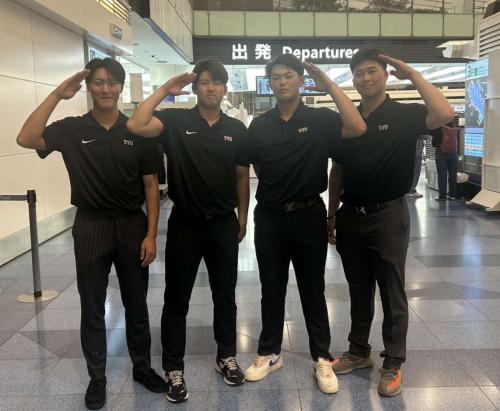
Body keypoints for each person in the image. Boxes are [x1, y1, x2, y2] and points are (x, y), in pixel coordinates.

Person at [16, 58, 166, 410]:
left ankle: (142, 368)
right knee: (92, 305)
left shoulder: (137, 129)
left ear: (121, 88)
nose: (106, 88)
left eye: (112, 82)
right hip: (90, 225)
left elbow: (151, 186)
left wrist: (151, 234)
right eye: (98, 82)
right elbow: (26, 138)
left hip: (131, 225)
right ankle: (97, 377)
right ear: (88, 87)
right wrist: (57, 94)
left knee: (137, 303)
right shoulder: (72, 128)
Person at [328, 49, 454, 397]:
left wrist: (412, 74)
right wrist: (332, 213)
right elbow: (338, 170)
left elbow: (445, 113)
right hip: (351, 215)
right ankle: (358, 352)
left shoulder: (404, 114)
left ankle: (393, 362)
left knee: (392, 291)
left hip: (389, 216)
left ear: (385, 75)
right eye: (359, 73)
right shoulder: (348, 118)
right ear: (353, 80)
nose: (365, 78)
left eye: (372, 71)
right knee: (358, 290)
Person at [241, 54, 366, 394]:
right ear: (269, 83)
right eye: (275, 77)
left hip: (309, 214)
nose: (281, 82)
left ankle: (321, 357)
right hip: (269, 216)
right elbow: (258, 167)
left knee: (313, 288)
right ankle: (270, 353)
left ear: (300, 80)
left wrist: (328, 83)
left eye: (288, 75)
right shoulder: (260, 125)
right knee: (271, 287)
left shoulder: (321, 119)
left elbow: (357, 127)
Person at [126, 59, 250, 403]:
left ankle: (226, 356)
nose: (211, 88)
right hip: (185, 224)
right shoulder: (175, 121)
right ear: (195, 88)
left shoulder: (236, 129)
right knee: (176, 299)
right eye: (205, 82)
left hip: (223, 223)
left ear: (225, 89)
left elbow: (242, 176)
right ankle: (173, 368)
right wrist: (165, 90)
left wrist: (242, 217)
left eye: (217, 82)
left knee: (225, 295)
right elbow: (136, 123)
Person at [431, 123, 459, 201]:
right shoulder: (453, 128)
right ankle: (452, 195)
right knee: (453, 175)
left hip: (441, 154)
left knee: (442, 175)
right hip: (453, 153)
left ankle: (442, 196)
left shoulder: (438, 128)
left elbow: (434, 144)